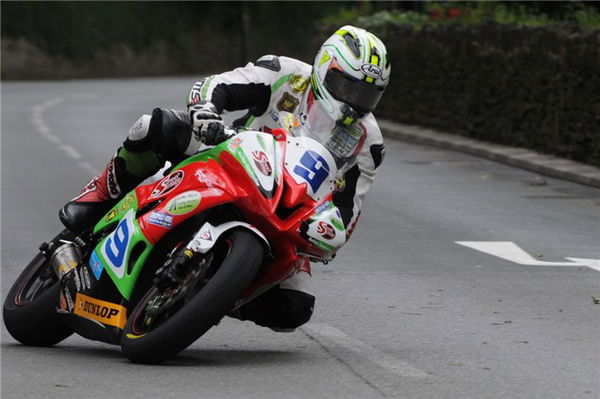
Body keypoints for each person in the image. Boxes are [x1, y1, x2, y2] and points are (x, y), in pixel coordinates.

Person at [59, 25, 391, 332]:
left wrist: (326, 236)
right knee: (156, 125)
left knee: (294, 309)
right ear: (324, 67)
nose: (353, 101)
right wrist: (206, 111)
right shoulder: (285, 73)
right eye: (348, 86)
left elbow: (348, 212)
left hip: (284, 210)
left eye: (366, 95)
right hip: (227, 154)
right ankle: (100, 195)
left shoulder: (368, 141)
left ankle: (213, 294)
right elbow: (218, 85)